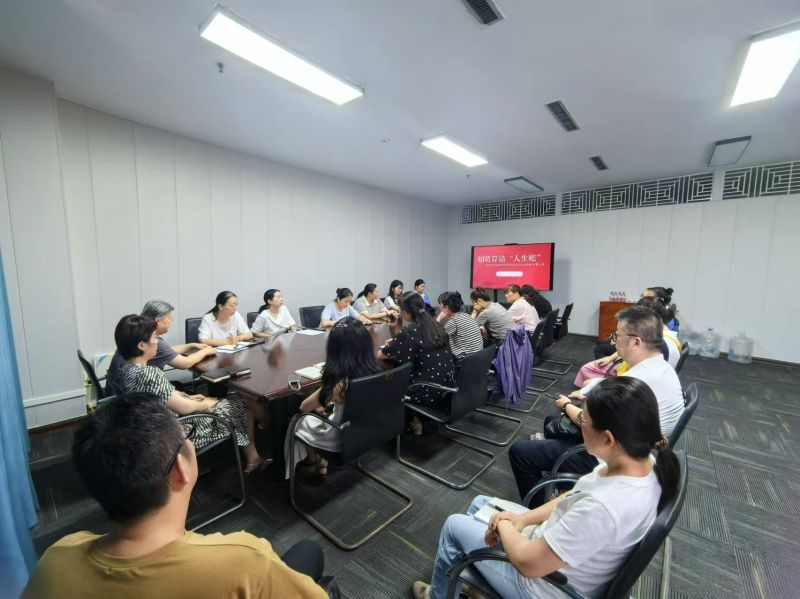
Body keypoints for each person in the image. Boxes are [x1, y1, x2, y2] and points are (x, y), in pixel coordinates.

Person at [23, 393, 328, 599]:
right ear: (181, 469)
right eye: (186, 437)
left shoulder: (55, 560)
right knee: (309, 551)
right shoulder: (244, 559)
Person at [412, 376, 680, 599]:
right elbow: (575, 494)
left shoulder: (604, 508)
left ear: (608, 439)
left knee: (453, 526)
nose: (579, 425)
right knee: (479, 503)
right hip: (558, 551)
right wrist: (522, 519)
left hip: (543, 585)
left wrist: (504, 525)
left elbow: (528, 563)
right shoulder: (644, 462)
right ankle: (472, 579)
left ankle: (439, 594)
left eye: (583, 421)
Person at [509, 305, 684, 500]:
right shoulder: (663, 368)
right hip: (634, 449)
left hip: (610, 459)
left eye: (617, 336)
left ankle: (540, 504)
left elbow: (586, 421)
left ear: (636, 342)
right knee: (553, 422)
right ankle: (562, 484)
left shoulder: (634, 383)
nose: (613, 341)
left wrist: (566, 405)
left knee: (520, 452)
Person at [113, 314, 268, 473]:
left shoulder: (125, 370)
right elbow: (185, 408)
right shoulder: (148, 373)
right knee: (242, 403)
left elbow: (161, 396)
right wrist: (205, 403)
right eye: (154, 338)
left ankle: (252, 454)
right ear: (141, 345)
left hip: (150, 429)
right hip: (178, 431)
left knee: (225, 400)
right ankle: (254, 458)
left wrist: (190, 397)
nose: (157, 342)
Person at [286, 317, 384, 477]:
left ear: (334, 348)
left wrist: (324, 389)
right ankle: (320, 462)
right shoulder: (378, 369)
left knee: (298, 418)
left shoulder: (340, 384)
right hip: (370, 430)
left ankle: (313, 462)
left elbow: (304, 407)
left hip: (341, 440)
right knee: (323, 410)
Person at [379, 292, 454, 434]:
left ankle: (409, 419)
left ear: (406, 312)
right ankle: (416, 418)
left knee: (388, 379)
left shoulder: (409, 331)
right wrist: (398, 339)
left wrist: (396, 341)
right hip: (448, 387)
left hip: (426, 391)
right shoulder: (437, 325)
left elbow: (382, 354)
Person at [106, 300, 216, 395]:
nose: (171, 320)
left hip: (119, 393)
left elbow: (166, 351)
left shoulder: (135, 335)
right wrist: (206, 351)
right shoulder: (151, 342)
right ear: (158, 321)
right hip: (134, 397)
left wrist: (191, 346)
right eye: (169, 318)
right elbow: (185, 363)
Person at [436, 291, 483, 359]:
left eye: (440, 305)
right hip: (478, 357)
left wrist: (439, 318)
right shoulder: (466, 315)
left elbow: (435, 338)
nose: (439, 307)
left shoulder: (454, 321)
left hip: (465, 360)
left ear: (446, 308)